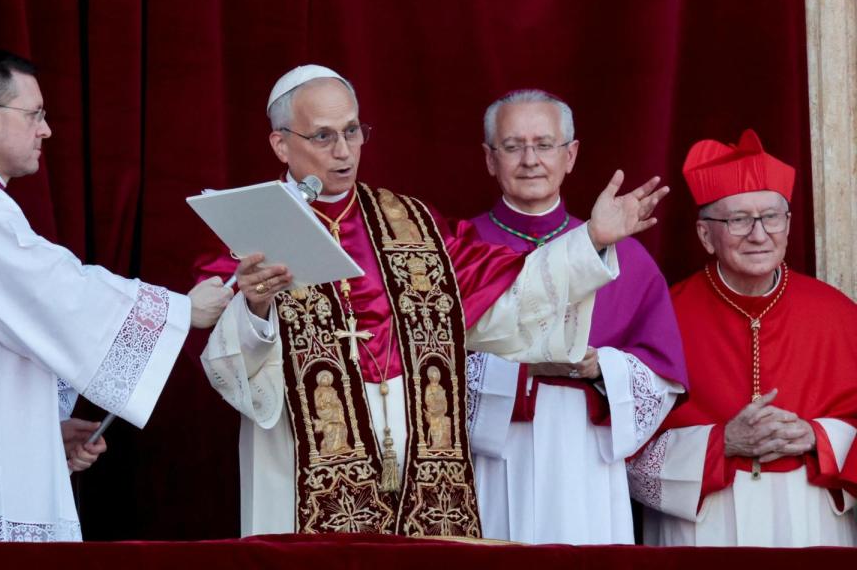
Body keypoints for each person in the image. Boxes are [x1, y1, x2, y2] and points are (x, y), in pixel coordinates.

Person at [196, 65, 669, 537]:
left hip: (420, 476)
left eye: (352, 131)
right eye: (322, 136)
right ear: (281, 143)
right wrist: (255, 308)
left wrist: (590, 240)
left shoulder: (413, 225)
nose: (343, 152)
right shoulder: (252, 230)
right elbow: (230, 364)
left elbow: (504, 300)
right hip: (303, 470)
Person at [0, 49, 232, 542]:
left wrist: (45, 430)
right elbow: (57, 293)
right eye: (35, 113)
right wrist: (182, 310)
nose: (46, 130)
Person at [464, 89, 688, 544]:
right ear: (490, 159)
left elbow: (663, 375)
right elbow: (424, 363)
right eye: (513, 146)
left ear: (570, 155)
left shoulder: (628, 259)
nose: (530, 159)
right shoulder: (459, 250)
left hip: (583, 456)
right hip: (489, 455)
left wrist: (601, 366)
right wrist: (516, 370)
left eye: (544, 144)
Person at [627, 129, 857, 546]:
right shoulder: (661, 317)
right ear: (704, 235)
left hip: (811, 521)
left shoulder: (839, 315)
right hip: (701, 526)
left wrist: (817, 437)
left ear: (787, 225)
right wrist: (722, 442)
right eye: (738, 219)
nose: (758, 234)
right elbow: (620, 451)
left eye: (771, 216)